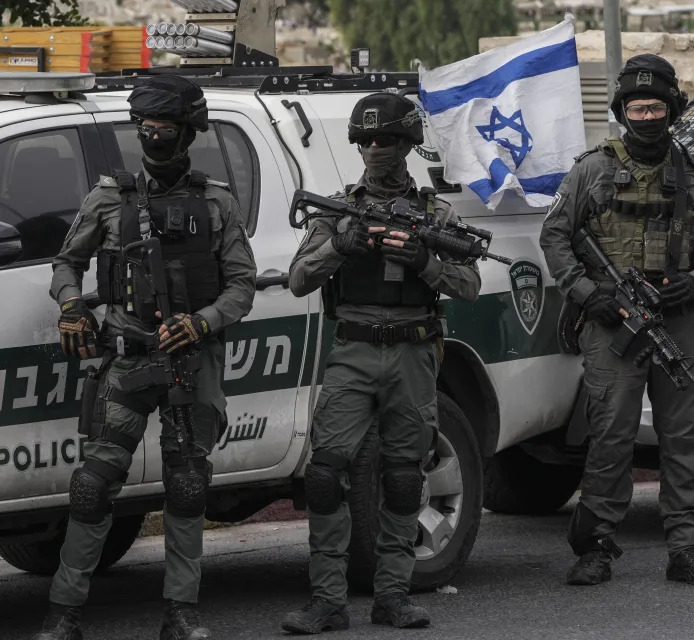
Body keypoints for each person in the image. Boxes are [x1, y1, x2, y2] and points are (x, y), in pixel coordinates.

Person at [36, 75, 256, 640]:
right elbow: (66, 263)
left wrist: (202, 321)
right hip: (128, 357)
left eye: (163, 127)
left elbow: (242, 285)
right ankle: (65, 614)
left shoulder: (217, 201)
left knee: (187, 488)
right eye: (144, 127)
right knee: (91, 486)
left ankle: (180, 614)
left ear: (187, 133)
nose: (152, 135)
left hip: (190, 362)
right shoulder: (110, 195)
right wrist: (70, 307)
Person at [281, 92, 480, 633]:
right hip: (354, 350)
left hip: (414, 352)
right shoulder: (337, 210)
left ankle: (391, 595)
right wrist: (341, 248)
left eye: (386, 140)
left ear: (408, 144)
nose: (375, 148)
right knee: (325, 476)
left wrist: (425, 263)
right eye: (366, 140)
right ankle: (327, 601)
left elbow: (469, 283)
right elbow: (299, 279)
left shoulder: (434, 213)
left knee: (401, 477)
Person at [539, 54, 694, 587]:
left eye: (655, 106)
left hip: (677, 317)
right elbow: (555, 237)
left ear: (671, 108)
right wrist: (587, 293)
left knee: (687, 433)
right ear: (622, 110)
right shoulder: (592, 169)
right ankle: (597, 546)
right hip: (612, 322)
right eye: (636, 106)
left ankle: (685, 550)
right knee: (611, 433)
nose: (646, 116)